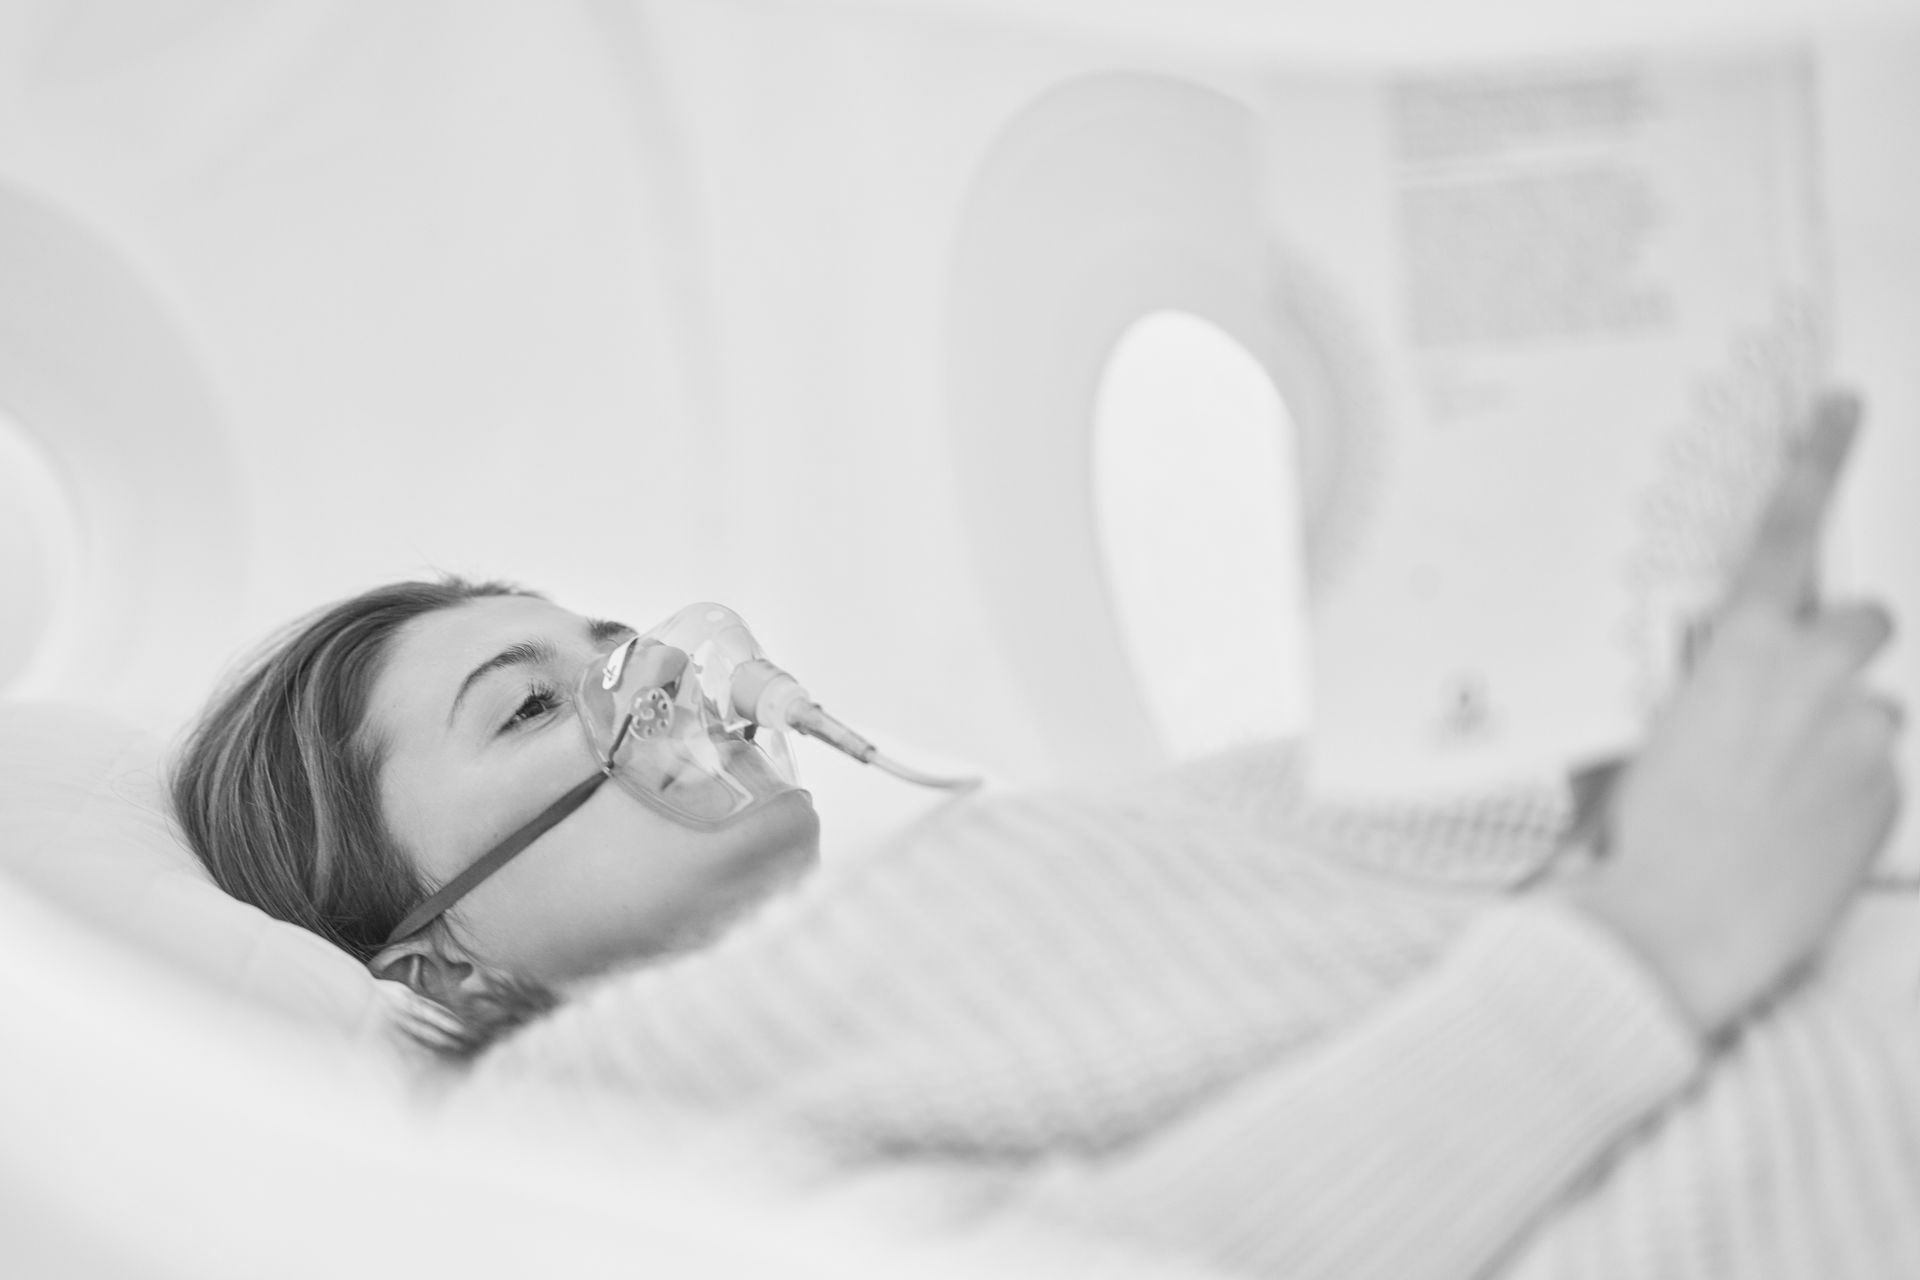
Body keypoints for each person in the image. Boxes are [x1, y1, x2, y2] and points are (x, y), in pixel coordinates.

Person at [170, 392, 1913, 1279]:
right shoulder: (576, 1152)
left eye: (611, 642)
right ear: (433, 948)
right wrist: (1653, 938)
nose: (670, 684)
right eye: (535, 710)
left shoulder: (937, 900)